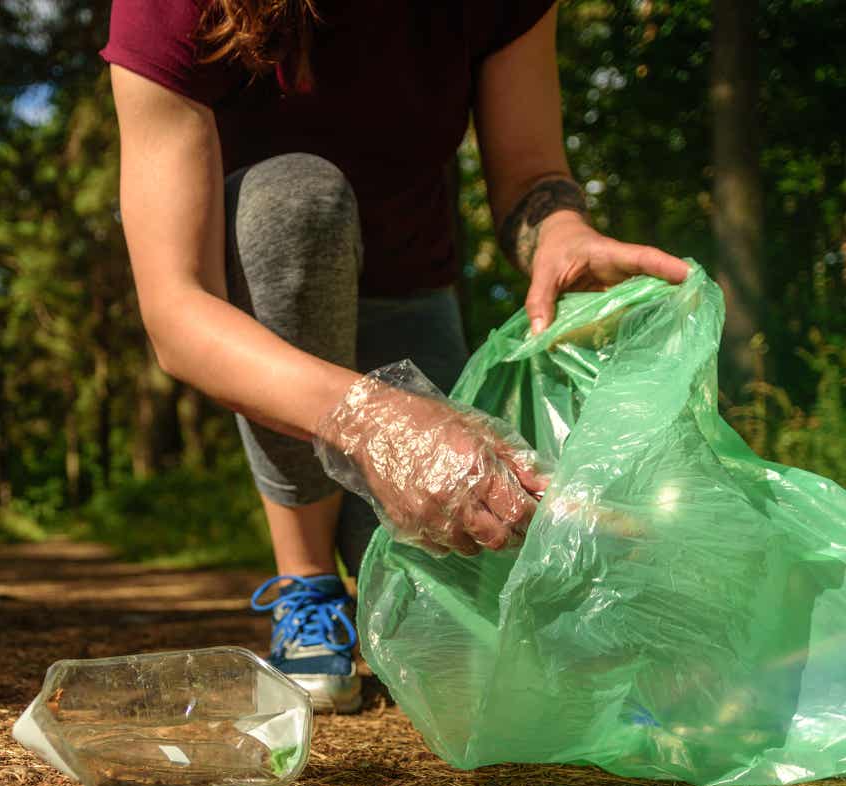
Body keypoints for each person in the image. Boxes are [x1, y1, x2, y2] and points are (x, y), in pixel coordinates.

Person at [102, 0, 688, 712]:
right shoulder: (170, 8)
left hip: (411, 294)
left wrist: (560, 231)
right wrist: (373, 422)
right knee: (296, 201)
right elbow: (176, 310)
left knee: (468, 622)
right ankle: (307, 579)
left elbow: (533, 173)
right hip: (265, 310)